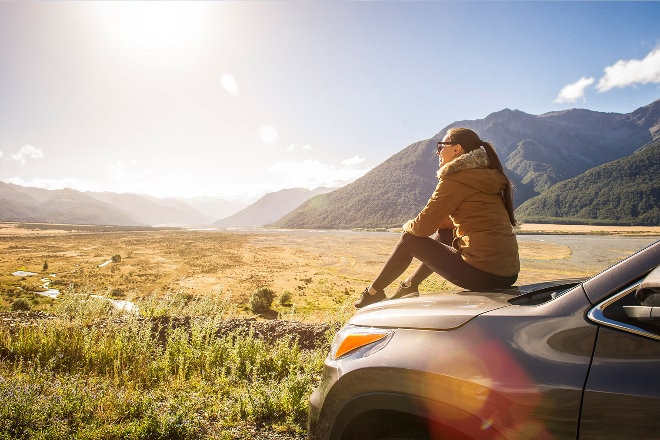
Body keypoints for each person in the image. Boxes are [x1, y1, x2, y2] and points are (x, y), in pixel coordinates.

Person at [355, 127, 520, 308]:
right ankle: (409, 286)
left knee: (409, 238)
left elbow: (420, 229)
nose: (438, 152)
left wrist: (406, 225)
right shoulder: (485, 176)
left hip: (483, 274)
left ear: (456, 149)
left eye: (441, 147)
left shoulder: (456, 177)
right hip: (508, 273)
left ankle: (373, 293)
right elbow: (460, 220)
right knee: (446, 233)